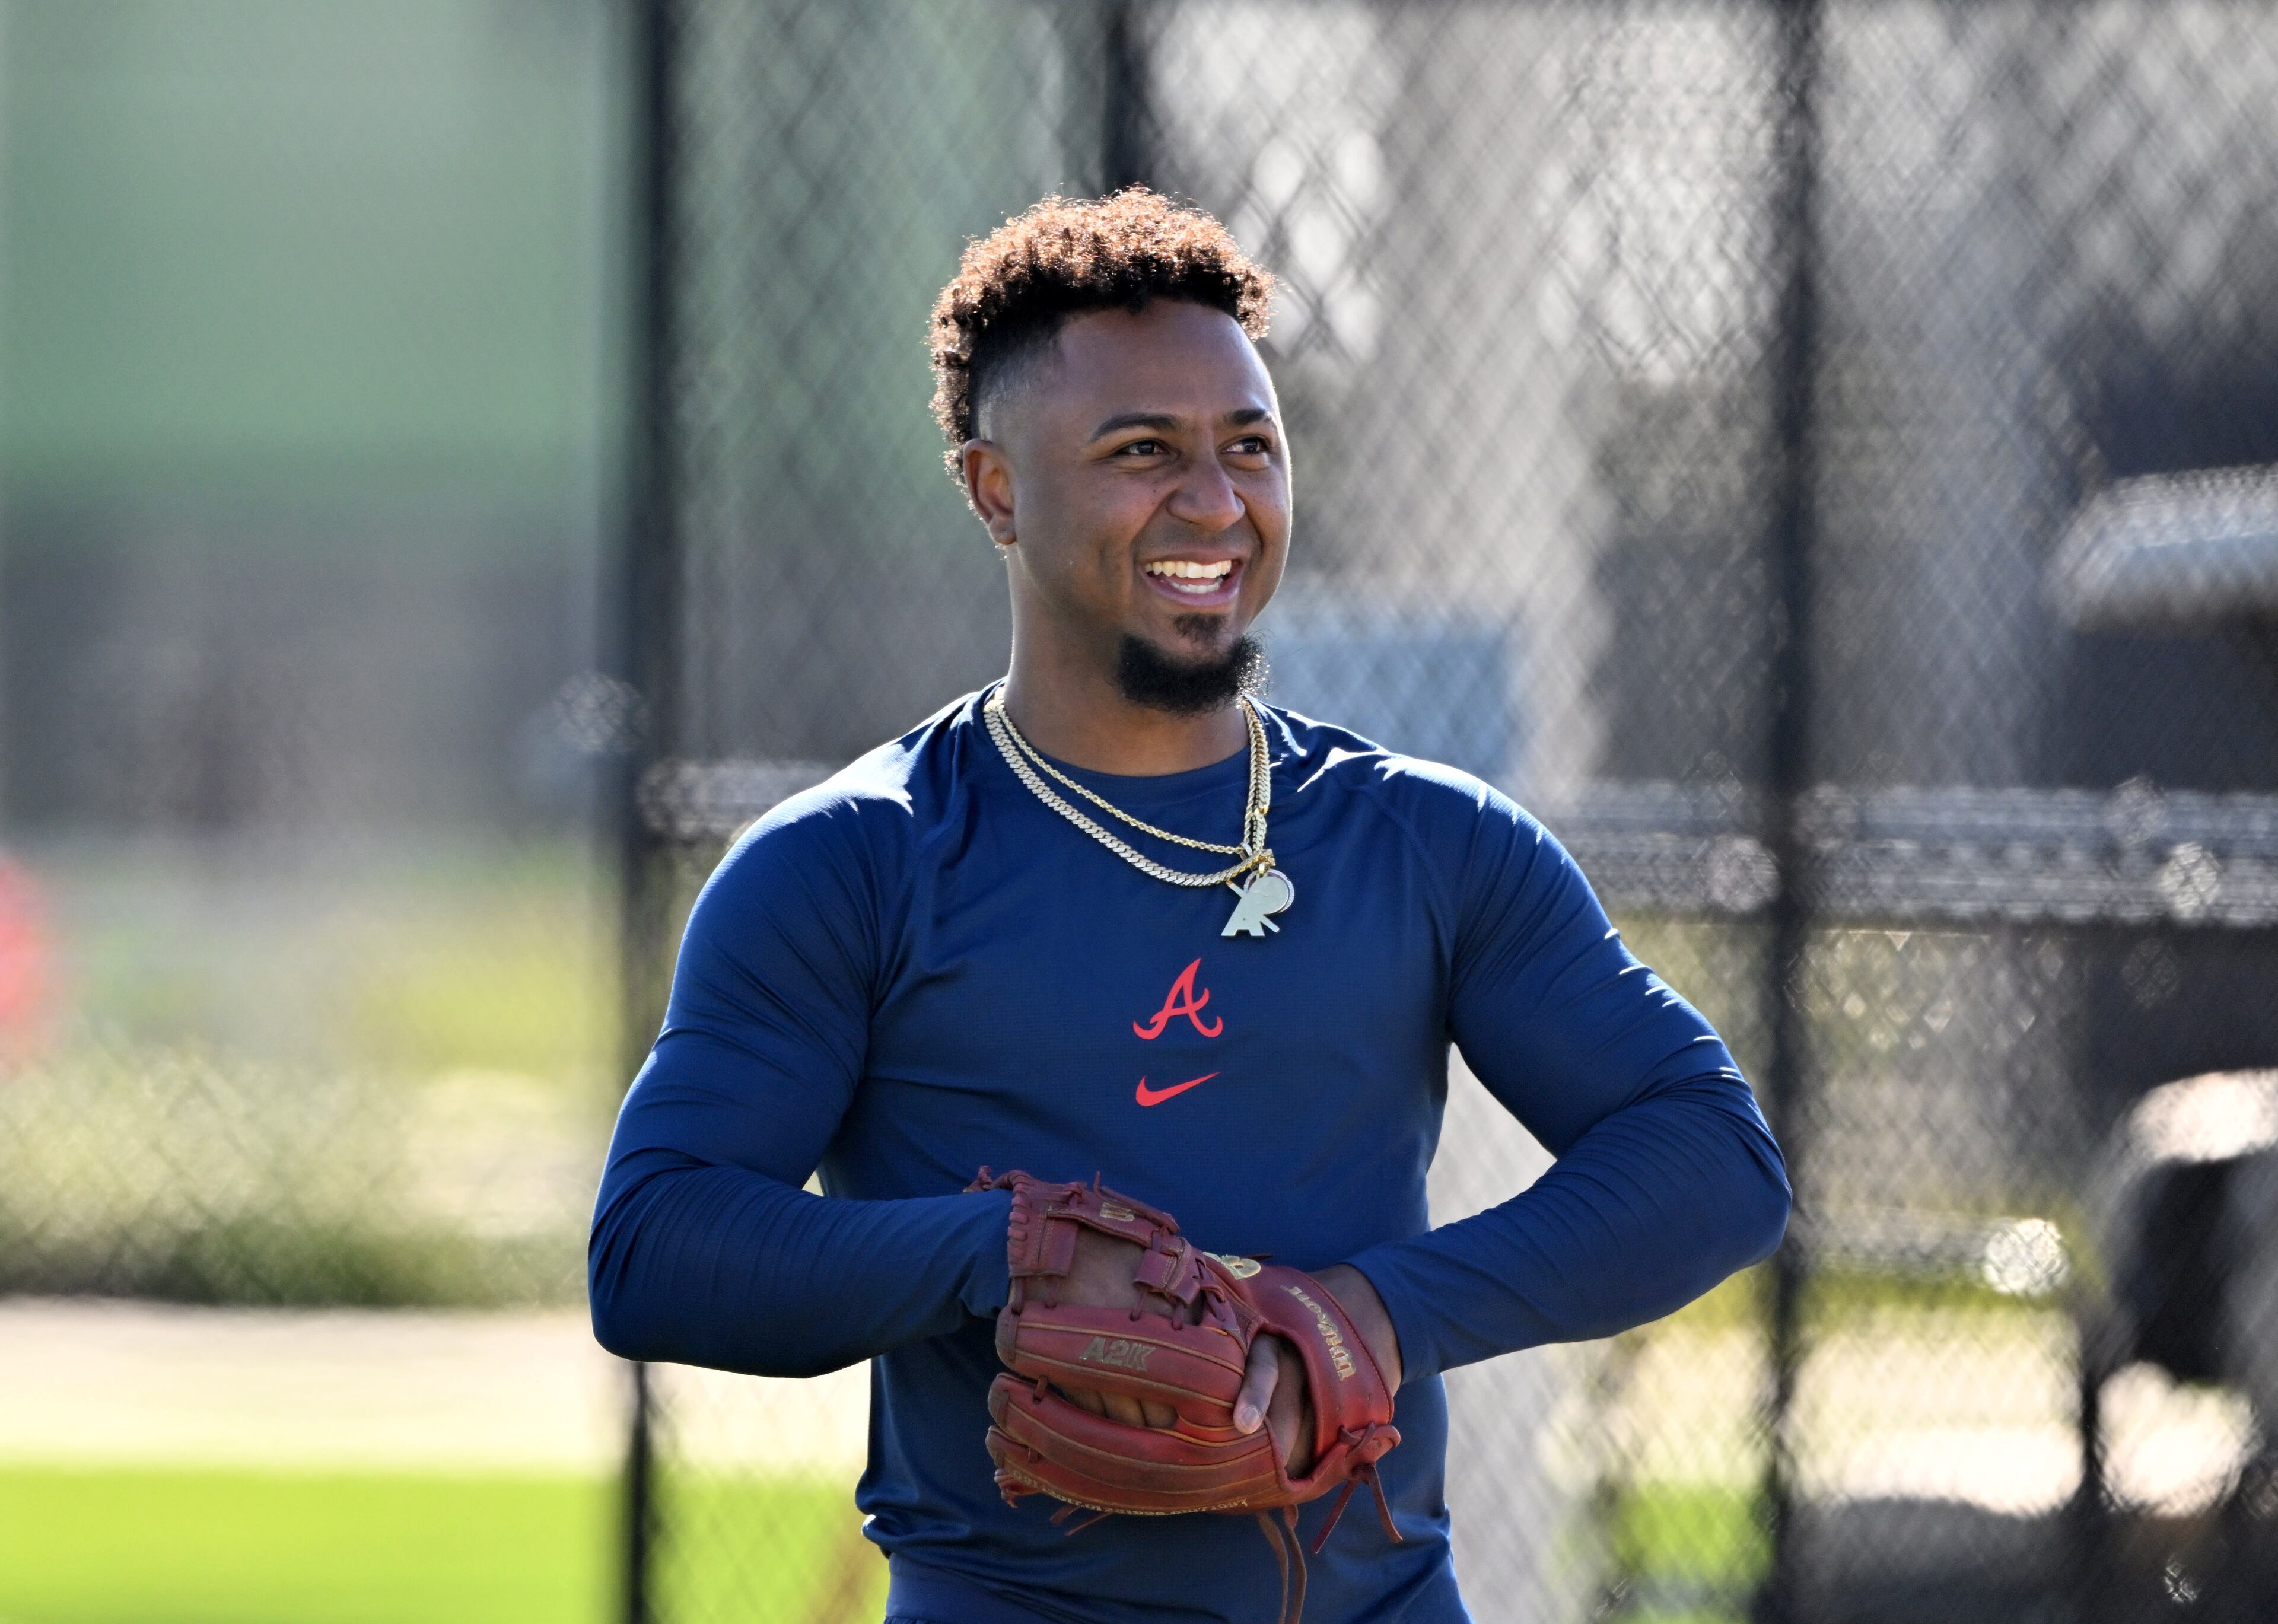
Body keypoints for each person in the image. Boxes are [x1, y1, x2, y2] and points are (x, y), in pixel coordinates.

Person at [589, 190, 1790, 1624]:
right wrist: (1004, 1256)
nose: (1216, 503)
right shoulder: (854, 862)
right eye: (1142, 451)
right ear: (995, 490)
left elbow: (1715, 1158)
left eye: (1250, 448)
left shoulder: (1428, 841)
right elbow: (654, 1248)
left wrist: (1374, 1315)